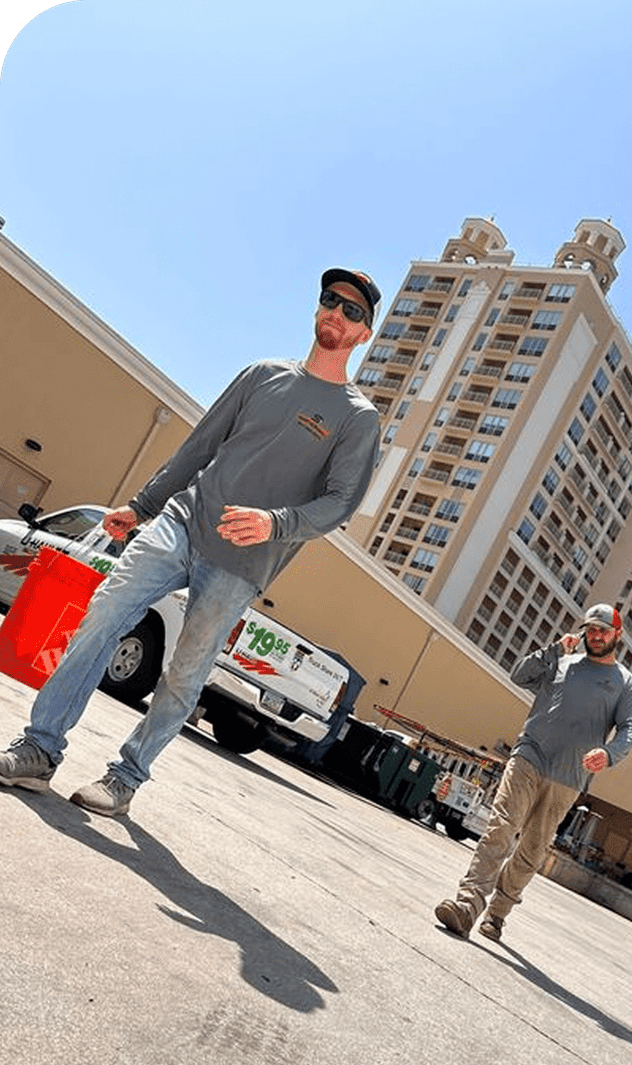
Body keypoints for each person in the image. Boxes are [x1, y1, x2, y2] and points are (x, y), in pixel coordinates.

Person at [0, 267, 383, 818]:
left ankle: (125, 778)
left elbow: (339, 504)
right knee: (105, 614)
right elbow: (199, 446)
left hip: (242, 562)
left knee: (183, 674)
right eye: (331, 300)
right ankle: (40, 749)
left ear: (363, 334)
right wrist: (142, 506)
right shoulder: (262, 375)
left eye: (352, 312)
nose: (337, 313)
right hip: (181, 521)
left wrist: (274, 523)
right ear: (317, 306)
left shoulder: (356, 417)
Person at [435, 602, 632, 943]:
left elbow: (631, 728)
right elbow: (520, 675)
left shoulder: (625, 683)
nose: (595, 636)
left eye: (603, 630)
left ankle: (498, 914)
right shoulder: (561, 661)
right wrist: (554, 649)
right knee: (501, 828)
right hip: (529, 756)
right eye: (590, 629)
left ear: (617, 635)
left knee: (532, 850)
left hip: (568, 777)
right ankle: (467, 905)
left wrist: (609, 753)